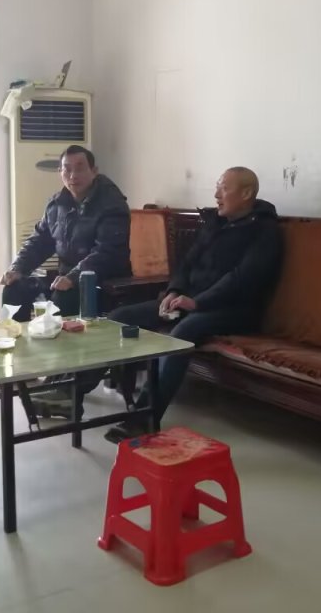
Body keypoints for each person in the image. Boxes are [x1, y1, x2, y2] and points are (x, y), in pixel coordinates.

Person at [100, 167, 283, 443]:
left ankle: (143, 419)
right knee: (119, 317)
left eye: (224, 188)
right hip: (190, 301)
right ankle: (71, 391)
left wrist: (197, 302)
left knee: (183, 333)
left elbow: (241, 279)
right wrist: (174, 291)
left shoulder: (265, 231)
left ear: (246, 193)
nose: (216, 194)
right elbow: (186, 263)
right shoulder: (215, 223)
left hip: (235, 309)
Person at [2, 145, 131, 408]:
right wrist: (17, 268)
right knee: (15, 289)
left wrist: (73, 276)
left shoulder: (112, 204)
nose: (73, 175)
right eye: (66, 169)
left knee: (64, 296)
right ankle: (21, 365)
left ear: (94, 170)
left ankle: (63, 386)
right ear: (60, 173)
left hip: (103, 282)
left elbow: (106, 253)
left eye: (80, 168)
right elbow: (39, 241)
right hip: (66, 277)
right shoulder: (58, 203)